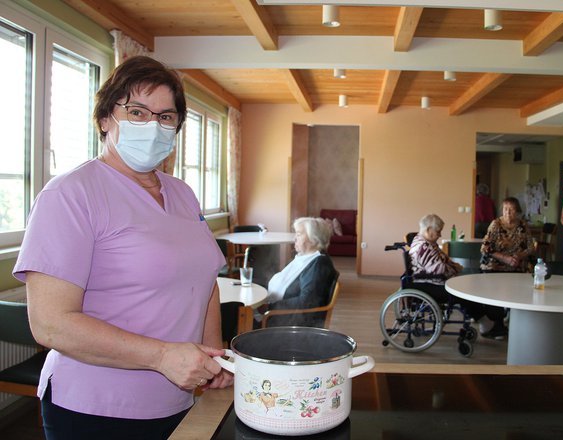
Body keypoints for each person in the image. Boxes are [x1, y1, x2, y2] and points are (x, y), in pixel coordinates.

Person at [13, 56, 233, 440]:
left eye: (166, 117)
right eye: (137, 112)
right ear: (104, 119)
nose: (153, 126)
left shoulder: (181, 193)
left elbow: (206, 282)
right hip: (95, 407)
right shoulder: (70, 194)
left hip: (175, 401)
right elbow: (50, 323)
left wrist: (213, 356)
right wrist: (163, 356)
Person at [408, 214, 507, 339]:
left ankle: (486, 321)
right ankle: (486, 323)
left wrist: (454, 266)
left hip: (433, 281)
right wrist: (455, 269)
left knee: (469, 289)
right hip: (429, 284)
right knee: (463, 293)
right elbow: (440, 269)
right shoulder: (424, 247)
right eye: (438, 231)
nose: (440, 235)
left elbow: (444, 260)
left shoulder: (427, 243)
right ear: (428, 230)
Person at [255, 217, 338, 327]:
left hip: (290, 322)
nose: (295, 238)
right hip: (277, 315)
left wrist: (270, 307)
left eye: (299, 234)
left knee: (236, 318)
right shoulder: (303, 257)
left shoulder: (319, 265)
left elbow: (307, 301)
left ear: (313, 239)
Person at [480, 197, 535, 273]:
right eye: (505, 209)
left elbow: (531, 248)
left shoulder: (523, 225)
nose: (508, 212)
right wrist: (504, 258)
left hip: (517, 262)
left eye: (511, 209)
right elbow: (485, 248)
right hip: (497, 263)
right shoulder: (496, 224)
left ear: (517, 211)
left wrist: (519, 256)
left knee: (530, 267)